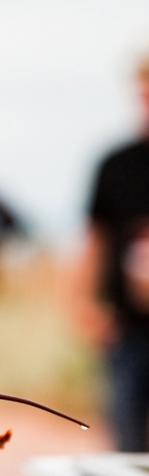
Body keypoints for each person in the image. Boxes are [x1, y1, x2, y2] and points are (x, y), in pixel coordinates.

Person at [75, 54, 149, 451]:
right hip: (126, 331)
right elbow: (95, 238)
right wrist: (85, 302)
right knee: (126, 449)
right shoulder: (115, 165)